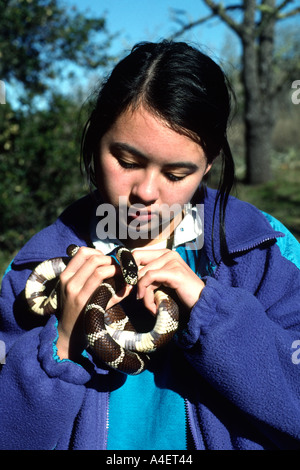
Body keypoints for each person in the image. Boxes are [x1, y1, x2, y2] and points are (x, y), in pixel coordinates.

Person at [0, 40, 300, 451]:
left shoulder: (260, 253)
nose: (145, 192)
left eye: (176, 173)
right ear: (95, 140)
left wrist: (213, 312)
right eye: (126, 161)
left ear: (208, 165)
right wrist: (62, 344)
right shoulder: (35, 269)